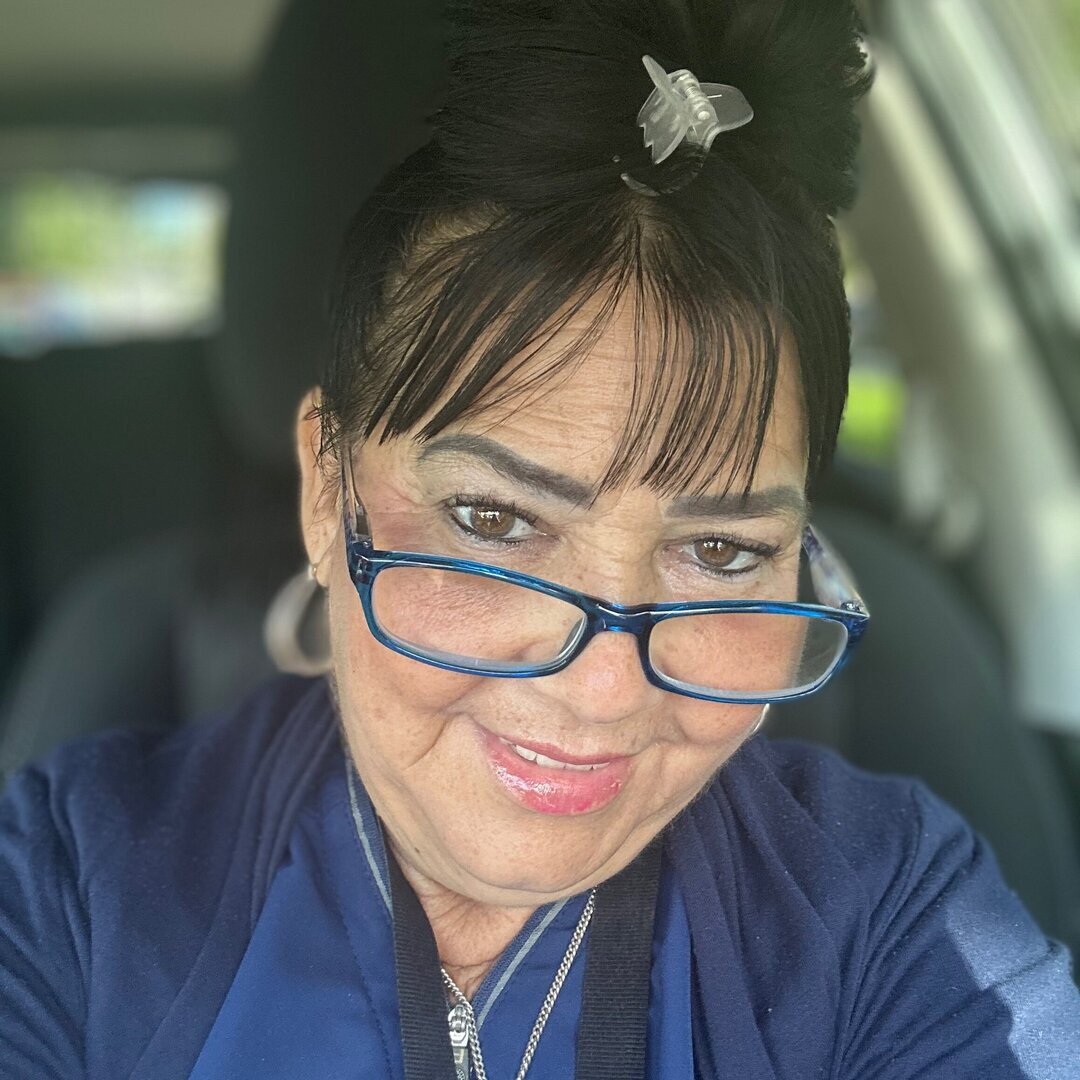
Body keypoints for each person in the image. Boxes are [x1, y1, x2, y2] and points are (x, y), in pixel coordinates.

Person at [2, 1, 1079, 1077]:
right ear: (329, 492)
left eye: (723, 552)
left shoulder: (893, 916)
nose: (604, 692)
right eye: (494, 521)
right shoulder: (72, 890)